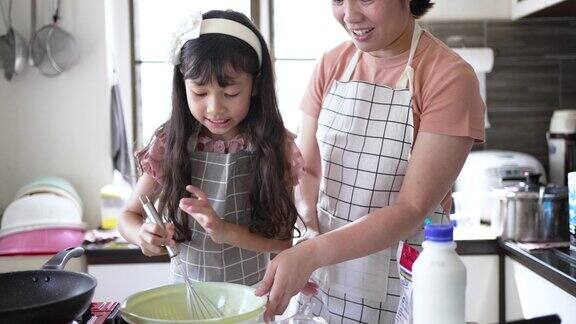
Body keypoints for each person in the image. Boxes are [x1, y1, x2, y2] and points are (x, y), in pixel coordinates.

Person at [255, 0, 485, 322]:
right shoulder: (331, 63)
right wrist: (308, 231)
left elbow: (412, 209)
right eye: (337, 0)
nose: (350, 16)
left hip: (401, 290)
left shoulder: (448, 76)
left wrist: (313, 252)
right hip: (325, 282)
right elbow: (308, 170)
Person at [119, 10, 306, 287]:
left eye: (231, 93)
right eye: (199, 92)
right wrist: (143, 236)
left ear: (255, 85)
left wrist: (224, 230)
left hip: (251, 298)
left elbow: (282, 242)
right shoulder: (171, 142)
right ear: (182, 85)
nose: (215, 107)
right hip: (186, 296)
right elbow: (128, 216)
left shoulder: (275, 147)